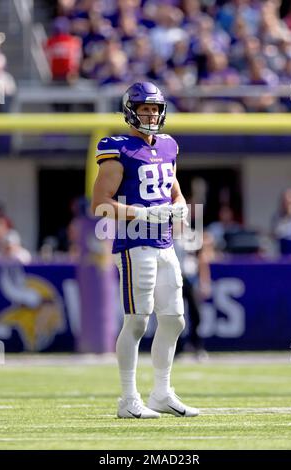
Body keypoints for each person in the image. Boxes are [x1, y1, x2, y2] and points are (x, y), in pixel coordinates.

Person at [91, 81, 198, 419]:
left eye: (155, 109)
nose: (151, 115)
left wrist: (180, 207)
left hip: (165, 242)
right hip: (135, 244)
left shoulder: (168, 146)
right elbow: (99, 204)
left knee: (175, 320)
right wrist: (143, 212)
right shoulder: (117, 147)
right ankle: (127, 399)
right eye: (144, 109)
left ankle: (162, 393)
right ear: (131, 112)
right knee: (137, 322)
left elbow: (174, 192)